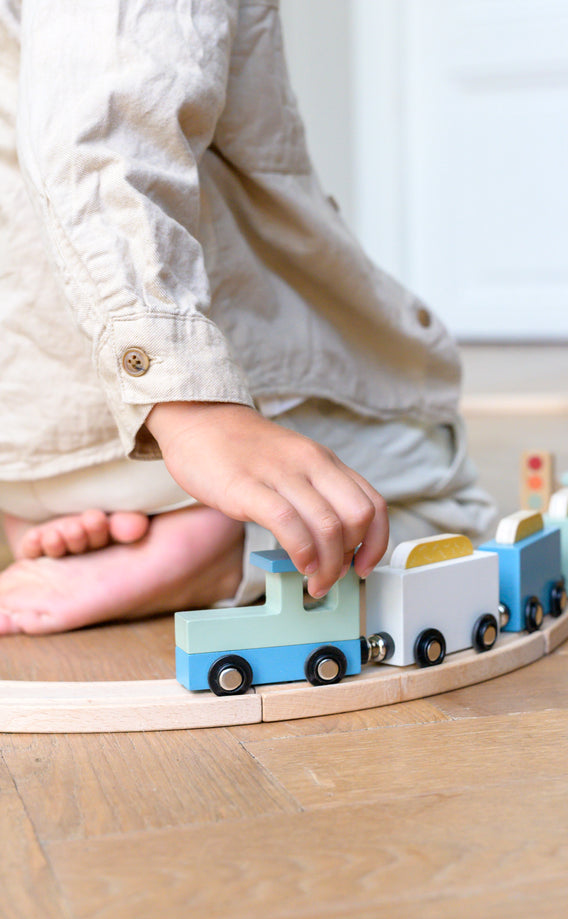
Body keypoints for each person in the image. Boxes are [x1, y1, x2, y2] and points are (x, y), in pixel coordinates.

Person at [0, 0, 495, 636]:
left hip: (22, 446)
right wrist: (191, 409)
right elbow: (104, 131)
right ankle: (230, 545)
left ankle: (44, 515)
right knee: (437, 487)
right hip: (157, 450)